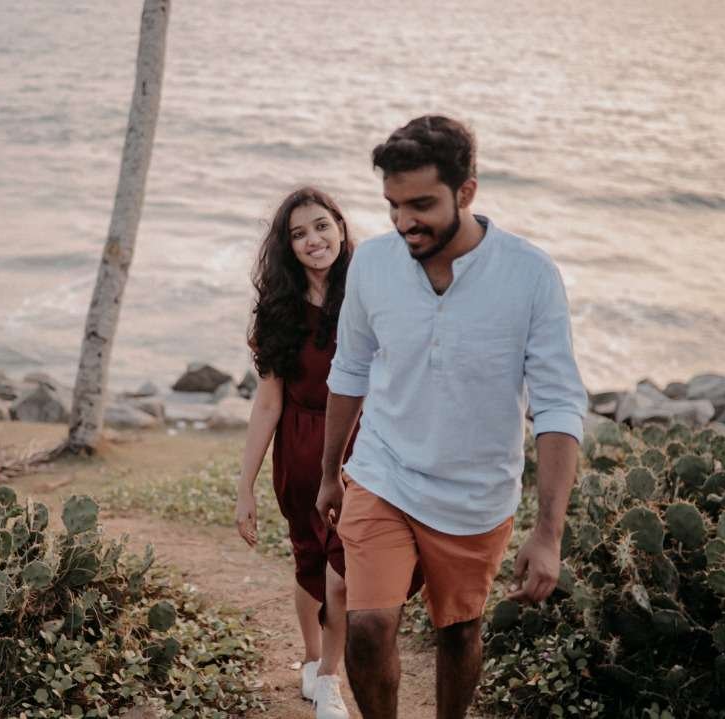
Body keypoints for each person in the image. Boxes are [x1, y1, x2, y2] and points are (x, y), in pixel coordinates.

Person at [315, 115, 588, 719]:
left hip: (474, 494)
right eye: (392, 205)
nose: (403, 222)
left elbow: (557, 405)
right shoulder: (373, 264)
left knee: (459, 632)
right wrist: (331, 472)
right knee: (368, 626)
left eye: (421, 205)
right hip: (383, 471)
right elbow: (350, 369)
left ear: (466, 191)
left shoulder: (530, 275)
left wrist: (548, 534)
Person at [236, 187, 354, 719]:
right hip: (300, 448)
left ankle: (330, 677)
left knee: (344, 564)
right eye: (299, 233)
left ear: (341, 228)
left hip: (359, 447)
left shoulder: (367, 295)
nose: (314, 240)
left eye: (322, 226)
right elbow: (267, 404)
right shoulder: (278, 311)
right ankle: (311, 659)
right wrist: (245, 487)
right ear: (287, 246)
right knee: (310, 557)